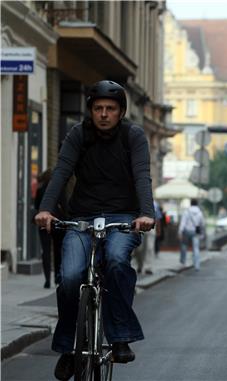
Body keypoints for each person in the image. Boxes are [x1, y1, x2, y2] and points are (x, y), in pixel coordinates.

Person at [34, 80, 155, 380]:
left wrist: (146, 214)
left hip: (123, 218)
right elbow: (61, 172)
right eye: (98, 108)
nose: (103, 114)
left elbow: (142, 175)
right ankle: (67, 348)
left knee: (115, 260)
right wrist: (46, 209)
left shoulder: (133, 136)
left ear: (120, 112)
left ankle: (120, 337)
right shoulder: (78, 134)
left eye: (110, 109)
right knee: (71, 276)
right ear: (90, 111)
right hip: (82, 218)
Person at [35, 168, 66, 289]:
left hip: (43, 221)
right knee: (58, 250)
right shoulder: (59, 189)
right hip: (57, 221)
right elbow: (65, 204)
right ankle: (57, 276)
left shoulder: (40, 189)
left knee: (46, 251)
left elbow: (37, 206)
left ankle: (47, 279)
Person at [178, 198, 205, 270]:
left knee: (184, 246)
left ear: (191, 203)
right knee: (196, 248)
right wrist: (202, 233)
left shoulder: (187, 212)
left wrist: (180, 231)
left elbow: (183, 222)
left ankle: (183, 262)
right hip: (195, 232)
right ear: (197, 204)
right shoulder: (200, 213)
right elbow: (202, 224)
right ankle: (197, 265)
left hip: (186, 231)